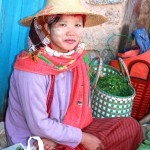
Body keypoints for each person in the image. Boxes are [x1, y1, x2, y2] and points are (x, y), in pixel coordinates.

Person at [5, 0, 143, 150]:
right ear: (47, 28)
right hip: (36, 139)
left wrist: (62, 137)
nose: (71, 32)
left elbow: (77, 106)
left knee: (130, 126)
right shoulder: (32, 68)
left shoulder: (75, 58)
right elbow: (38, 125)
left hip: (68, 128)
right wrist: (82, 138)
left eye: (77, 25)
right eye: (62, 25)